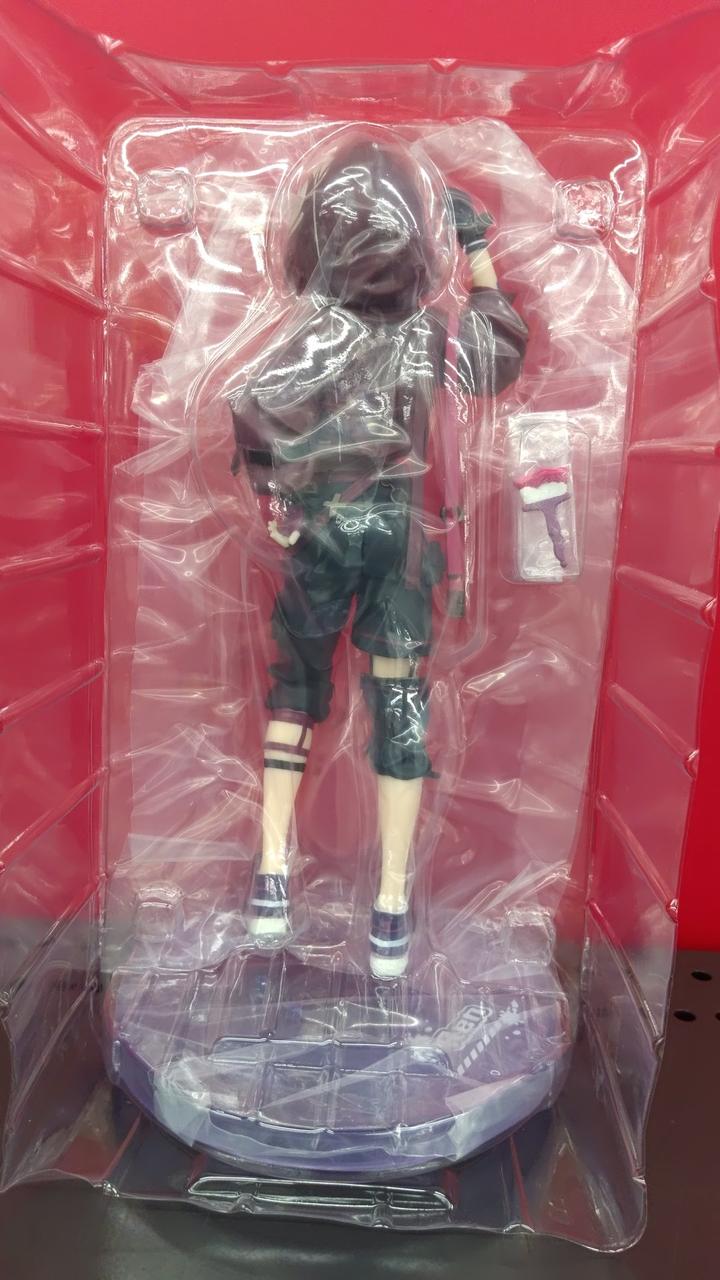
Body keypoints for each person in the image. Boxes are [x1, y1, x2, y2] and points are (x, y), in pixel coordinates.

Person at [230, 133, 527, 976]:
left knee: (296, 693)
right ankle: (389, 901)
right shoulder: (434, 336)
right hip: (400, 541)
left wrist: (279, 501)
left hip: (325, 536)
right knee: (396, 707)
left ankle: (273, 875)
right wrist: (477, 249)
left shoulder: (315, 334)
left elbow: (252, 411)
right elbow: (502, 348)